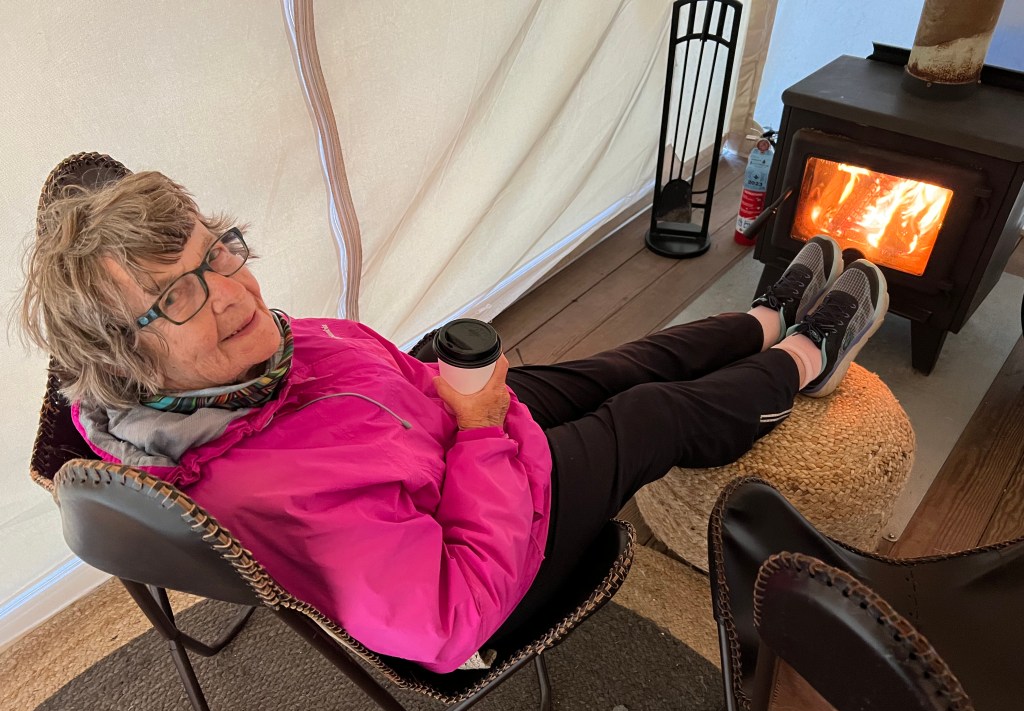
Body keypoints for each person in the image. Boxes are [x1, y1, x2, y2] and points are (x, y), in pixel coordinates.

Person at [20, 169, 888, 673]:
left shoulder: (246, 364)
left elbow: (371, 395)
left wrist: (458, 403)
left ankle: (763, 320)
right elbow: (450, 614)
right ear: (125, 362)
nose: (232, 292)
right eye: (178, 294)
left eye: (217, 253)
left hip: (446, 444)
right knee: (649, 414)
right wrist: (477, 431)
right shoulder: (263, 487)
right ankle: (807, 357)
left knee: (612, 369)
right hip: (489, 565)